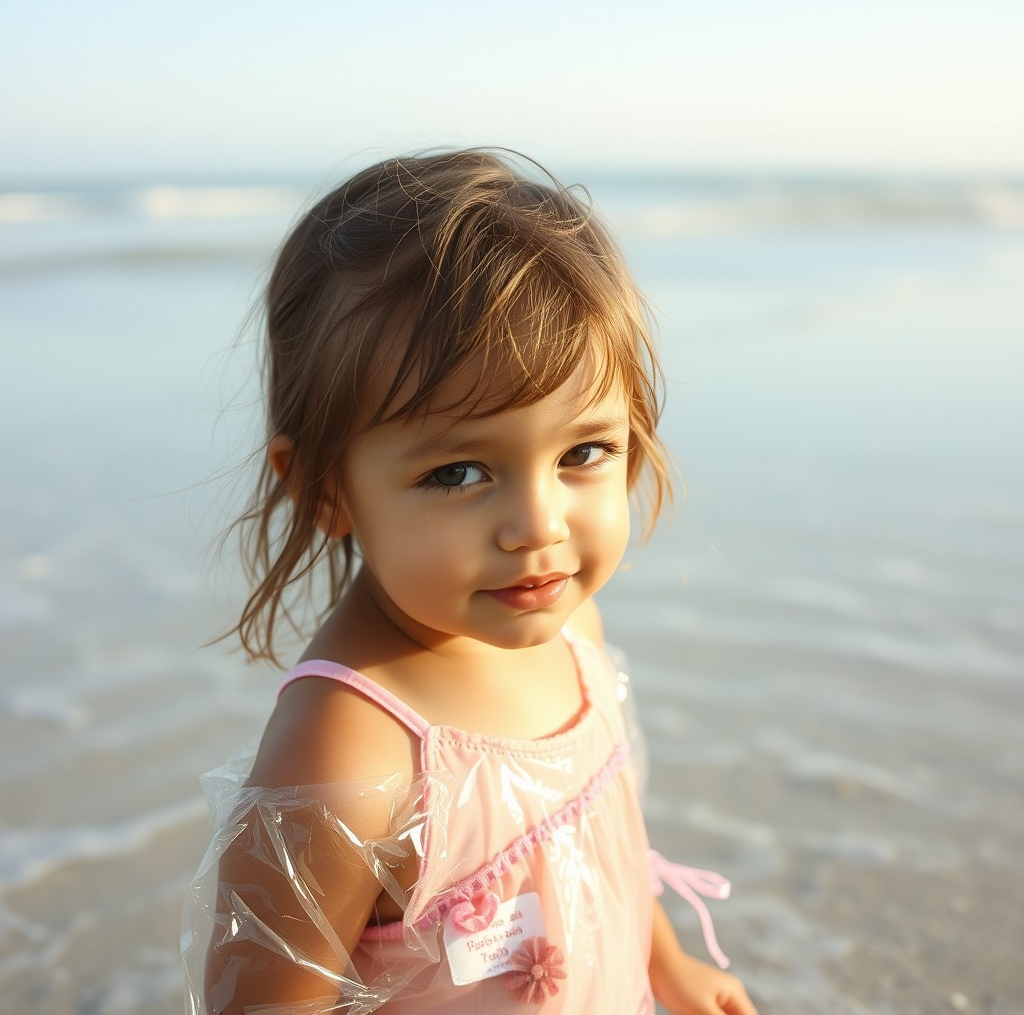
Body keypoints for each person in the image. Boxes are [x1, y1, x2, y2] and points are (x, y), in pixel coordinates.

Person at [182, 149, 757, 1014]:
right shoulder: (351, 751)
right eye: (457, 473)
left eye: (583, 453)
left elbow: (605, 848)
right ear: (324, 490)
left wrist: (666, 963)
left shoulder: (574, 631)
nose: (539, 525)